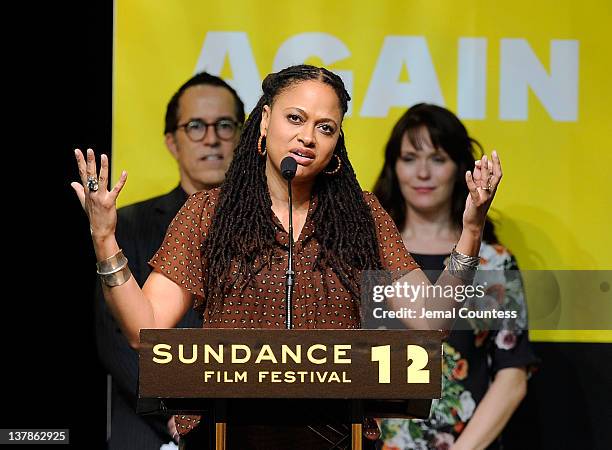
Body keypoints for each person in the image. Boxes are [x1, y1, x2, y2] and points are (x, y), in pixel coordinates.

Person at [72, 65, 502, 449]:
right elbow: (142, 328)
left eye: (325, 127)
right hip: (223, 435)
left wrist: (471, 230)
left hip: (338, 434)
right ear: (263, 123)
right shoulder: (208, 213)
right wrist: (106, 239)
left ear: (336, 142)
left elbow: (432, 322)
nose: (307, 137)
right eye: (295, 118)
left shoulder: (363, 216)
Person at [373, 103, 539, 450]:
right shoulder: (368, 255)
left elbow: (512, 374)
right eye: (409, 158)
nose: (422, 173)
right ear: (393, 167)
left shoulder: (493, 262)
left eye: (437, 158)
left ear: (459, 168)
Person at [94, 72, 245, 450]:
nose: (212, 138)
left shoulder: (271, 226)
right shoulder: (125, 226)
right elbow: (116, 337)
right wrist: (175, 409)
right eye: (195, 126)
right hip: (149, 430)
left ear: (244, 137)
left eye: (225, 125)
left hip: (244, 430)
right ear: (172, 142)